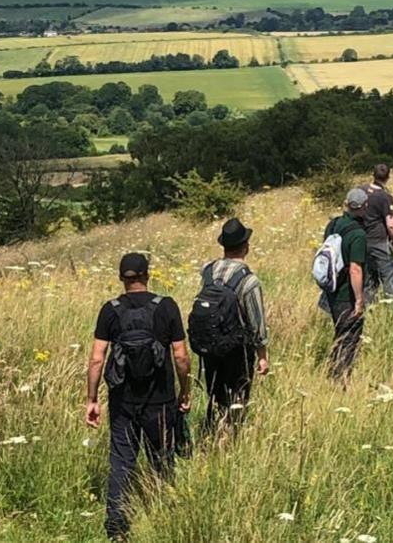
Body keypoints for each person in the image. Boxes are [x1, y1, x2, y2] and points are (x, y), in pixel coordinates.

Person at [86, 253, 191, 539]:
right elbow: (181, 356)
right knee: (163, 460)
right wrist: (185, 390)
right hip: (161, 400)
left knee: (122, 463)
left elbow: (97, 359)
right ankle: (165, 518)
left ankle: (117, 530)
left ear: (122, 278)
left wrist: (92, 399)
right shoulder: (167, 306)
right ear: (148, 275)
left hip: (123, 402)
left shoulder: (110, 309)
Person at [193, 218, 270, 432]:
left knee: (215, 392)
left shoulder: (207, 270)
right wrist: (262, 355)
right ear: (246, 247)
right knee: (237, 395)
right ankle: (230, 435)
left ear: (224, 246)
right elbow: (256, 322)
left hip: (209, 344)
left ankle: (213, 429)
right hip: (237, 348)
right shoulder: (248, 281)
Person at [323, 188, 368, 385]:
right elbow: (355, 269)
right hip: (346, 294)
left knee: (340, 333)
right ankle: (340, 380)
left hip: (331, 289)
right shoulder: (358, 234)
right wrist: (359, 300)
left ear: (346, 203)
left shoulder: (333, 224)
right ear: (364, 207)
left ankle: (333, 373)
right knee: (349, 338)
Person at [362, 164, 393, 303]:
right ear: (388, 177)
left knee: (369, 278)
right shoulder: (385, 197)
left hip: (363, 240)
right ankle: (392, 305)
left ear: (373, 175)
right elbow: (390, 224)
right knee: (389, 274)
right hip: (379, 241)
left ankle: (368, 306)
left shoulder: (361, 190)